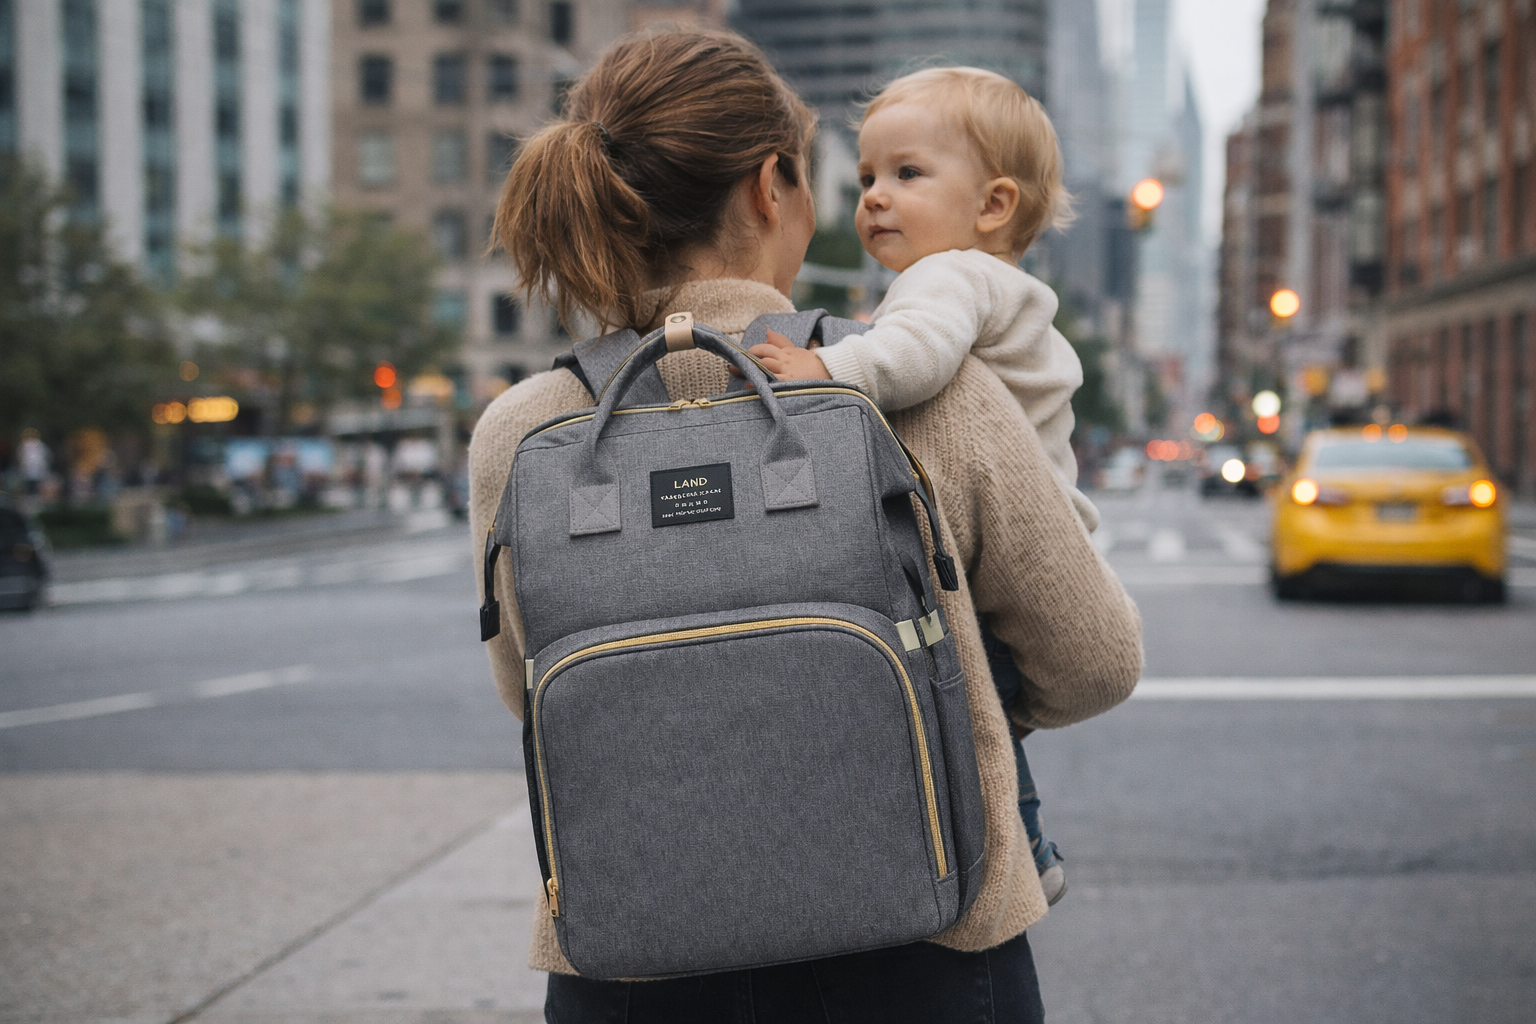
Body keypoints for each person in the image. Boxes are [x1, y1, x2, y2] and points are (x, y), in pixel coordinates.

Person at [470, 27, 1143, 1024]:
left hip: (632, 961)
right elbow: (1095, 661)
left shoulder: (528, 428)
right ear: (768, 185)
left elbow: (531, 692)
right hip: (918, 946)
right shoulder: (931, 393)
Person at [745, 66, 1092, 907]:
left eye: (907, 174)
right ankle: (1021, 844)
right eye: (866, 177)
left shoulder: (951, 279)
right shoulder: (979, 281)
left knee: (974, 727)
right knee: (985, 725)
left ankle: (1023, 849)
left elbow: (917, 359)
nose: (873, 198)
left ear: (994, 206)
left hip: (997, 548)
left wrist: (825, 366)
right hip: (1035, 528)